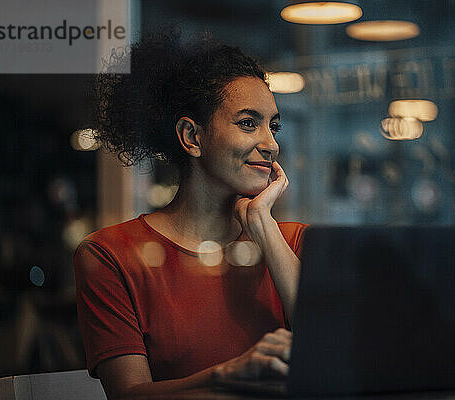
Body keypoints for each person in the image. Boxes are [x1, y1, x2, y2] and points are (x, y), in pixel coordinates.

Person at [74, 27, 308, 399]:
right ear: (192, 137)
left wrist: (264, 224)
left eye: (273, 126)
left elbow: (335, 355)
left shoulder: (292, 242)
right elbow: (129, 394)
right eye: (249, 123)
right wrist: (230, 375)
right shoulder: (111, 255)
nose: (271, 144)